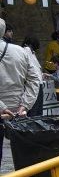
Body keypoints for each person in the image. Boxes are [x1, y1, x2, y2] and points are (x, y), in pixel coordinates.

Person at [0, 18, 42, 166]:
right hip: (18, 109)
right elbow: (34, 80)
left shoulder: (20, 50)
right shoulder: (20, 51)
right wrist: (25, 104)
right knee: (24, 151)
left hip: (5, 109)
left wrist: (2, 106)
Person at [21, 36, 45, 116]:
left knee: (37, 109)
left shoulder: (32, 52)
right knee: (34, 110)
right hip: (33, 84)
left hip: (37, 83)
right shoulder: (26, 50)